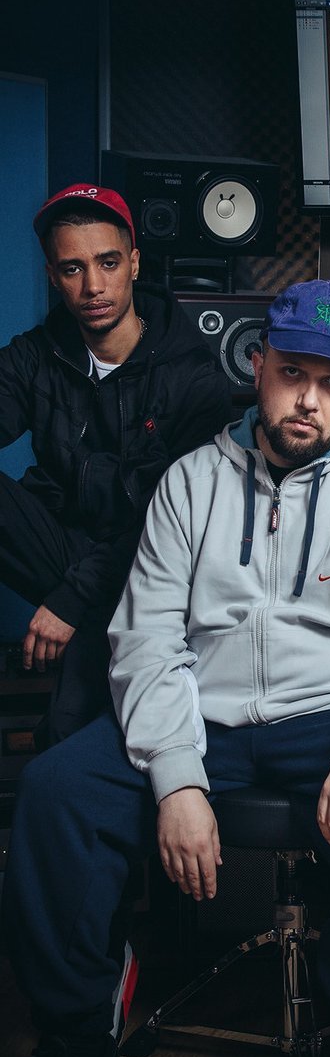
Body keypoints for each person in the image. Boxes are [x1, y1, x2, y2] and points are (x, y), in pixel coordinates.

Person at [0, 278, 330, 1057]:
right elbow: (146, 634)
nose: (309, 401)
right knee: (56, 793)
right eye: (293, 373)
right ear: (258, 365)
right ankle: (77, 1050)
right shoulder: (192, 482)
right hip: (205, 712)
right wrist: (177, 775)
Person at [0, 182, 233, 743]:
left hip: (155, 568)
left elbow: (181, 527)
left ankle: (84, 683)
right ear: (53, 276)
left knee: (65, 739)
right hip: (66, 549)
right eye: (73, 268)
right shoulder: (36, 355)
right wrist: (74, 592)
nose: (94, 287)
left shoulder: (193, 378)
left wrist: (71, 602)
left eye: (107, 263)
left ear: (134, 262)